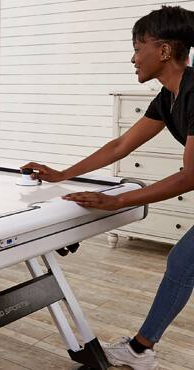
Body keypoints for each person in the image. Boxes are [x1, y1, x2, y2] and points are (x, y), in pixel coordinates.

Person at [22, 6, 194, 370]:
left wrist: (116, 201)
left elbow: (189, 175)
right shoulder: (168, 98)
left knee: (183, 262)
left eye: (137, 47)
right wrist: (60, 174)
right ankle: (141, 349)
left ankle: (140, 349)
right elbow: (120, 147)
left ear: (164, 51)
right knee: (183, 263)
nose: (133, 58)